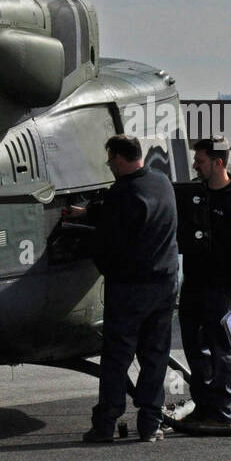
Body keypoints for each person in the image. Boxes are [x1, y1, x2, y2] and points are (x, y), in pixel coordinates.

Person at [80, 134, 179, 444]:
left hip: (129, 290)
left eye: (111, 160)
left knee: (116, 358)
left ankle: (106, 423)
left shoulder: (121, 193)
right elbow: (139, 213)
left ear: (121, 159)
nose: (109, 165)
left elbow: (106, 241)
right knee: (155, 356)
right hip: (164, 285)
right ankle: (150, 424)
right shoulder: (161, 182)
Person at [175, 136, 231, 427]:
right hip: (194, 287)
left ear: (218, 162)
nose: (195, 166)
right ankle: (203, 408)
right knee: (194, 349)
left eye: (200, 161)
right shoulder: (194, 196)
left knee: (222, 352)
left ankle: (221, 413)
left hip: (223, 291)